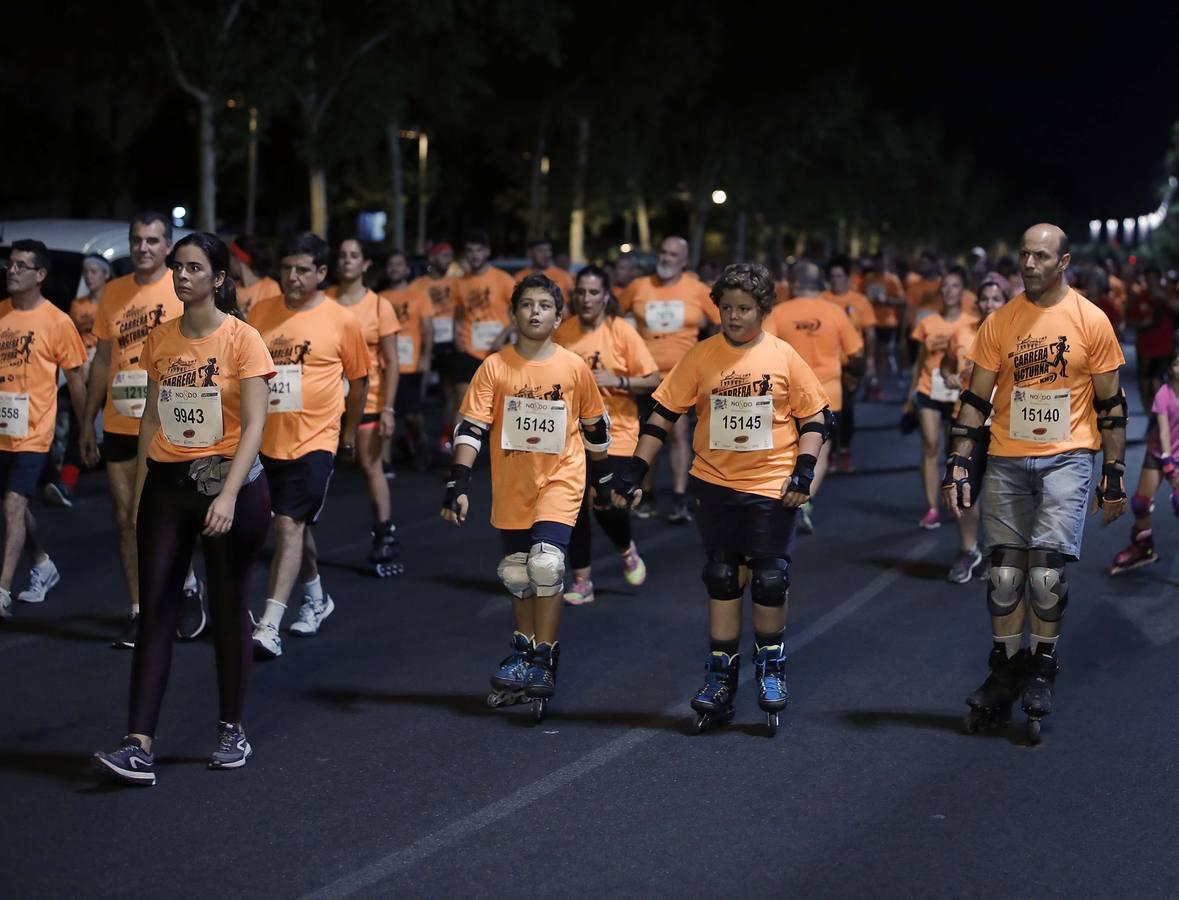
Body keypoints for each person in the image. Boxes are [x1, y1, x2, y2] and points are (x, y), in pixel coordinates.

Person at [612, 262, 831, 735]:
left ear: (763, 310)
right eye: (727, 308)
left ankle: (771, 667)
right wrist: (635, 470)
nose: (734, 317)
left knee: (770, 576)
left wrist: (804, 470)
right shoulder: (701, 356)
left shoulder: (782, 356)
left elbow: (816, 418)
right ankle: (721, 677)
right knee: (722, 574)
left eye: (745, 309)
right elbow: (663, 415)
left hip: (771, 483)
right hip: (714, 481)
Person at [92, 232, 274, 785]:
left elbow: (256, 427)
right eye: (178, 267)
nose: (182, 276)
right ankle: (138, 744)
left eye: (194, 268)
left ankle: (231, 729)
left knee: (227, 608)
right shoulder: (162, 339)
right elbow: (152, 415)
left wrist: (226, 496)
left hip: (230, 487)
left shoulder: (243, 340)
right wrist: (145, 483)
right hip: (168, 487)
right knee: (156, 613)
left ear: (218, 278)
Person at [945, 223, 1127, 744]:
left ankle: (1042, 667)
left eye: (1041, 257)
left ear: (1063, 262)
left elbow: (1112, 407)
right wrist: (958, 463)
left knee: (1044, 576)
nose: (1029, 265)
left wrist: (1112, 475)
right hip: (1005, 458)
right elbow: (975, 402)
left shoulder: (1091, 321)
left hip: (1067, 460)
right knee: (1004, 576)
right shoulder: (1000, 323)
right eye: (1024, 255)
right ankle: (1006, 666)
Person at [441, 273, 610, 721]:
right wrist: (459, 482)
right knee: (518, 573)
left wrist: (605, 478)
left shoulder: (573, 367)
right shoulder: (495, 367)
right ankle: (524, 648)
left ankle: (543, 658)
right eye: (526, 305)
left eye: (544, 305)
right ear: (514, 314)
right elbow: (471, 428)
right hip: (513, 484)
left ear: (559, 316)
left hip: (561, 479)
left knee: (546, 564)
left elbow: (595, 426)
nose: (535, 312)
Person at [79, 212, 206, 649]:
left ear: (167, 246)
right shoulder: (112, 293)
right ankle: (139, 610)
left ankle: (187, 586)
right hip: (120, 419)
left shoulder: (182, 289)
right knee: (126, 518)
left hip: (172, 417)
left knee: (173, 515)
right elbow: (101, 359)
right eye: (137, 240)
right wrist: (87, 419)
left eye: (153, 240)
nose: (143, 248)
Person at [247, 233, 369, 658]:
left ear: (321, 273)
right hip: (266, 440)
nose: (292, 277)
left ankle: (269, 624)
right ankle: (317, 595)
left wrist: (349, 432)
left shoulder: (341, 320)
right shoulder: (260, 313)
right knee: (292, 524)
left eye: (302, 270)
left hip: (317, 439)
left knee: (288, 523)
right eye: (286, 268)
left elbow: (359, 380)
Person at [554, 264, 660, 605]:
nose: (587, 298)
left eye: (594, 292)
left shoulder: (621, 332)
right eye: (581, 292)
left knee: (607, 503)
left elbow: (653, 379)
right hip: (572, 432)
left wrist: (619, 380)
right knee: (574, 505)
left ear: (606, 296)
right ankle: (582, 580)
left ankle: (625, 547)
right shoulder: (564, 332)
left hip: (618, 431)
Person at [0, 241, 87, 618]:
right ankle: (43, 562)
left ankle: (2, 589)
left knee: (14, 504)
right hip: (1, 428)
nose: (12, 271)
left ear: (40, 275)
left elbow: (77, 379)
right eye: (10, 265)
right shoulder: (1, 313)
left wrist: (85, 432)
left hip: (34, 431)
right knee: (8, 506)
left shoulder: (57, 321)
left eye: (21, 266)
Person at [619, 236, 720, 523]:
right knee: (647, 435)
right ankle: (647, 494)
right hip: (645, 376)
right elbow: (614, 318)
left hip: (683, 375)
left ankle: (678, 496)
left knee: (678, 434)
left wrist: (710, 355)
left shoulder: (697, 289)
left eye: (673, 254)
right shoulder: (639, 287)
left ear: (684, 261)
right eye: (662, 252)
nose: (666, 258)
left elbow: (720, 320)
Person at [764, 261, 862, 534]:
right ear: (819, 284)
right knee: (819, 450)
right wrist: (854, 376)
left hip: (787, 392)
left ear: (794, 284)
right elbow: (855, 353)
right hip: (828, 392)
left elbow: (765, 351)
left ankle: (781, 496)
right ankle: (803, 500)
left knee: (788, 448)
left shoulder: (778, 312)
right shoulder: (836, 313)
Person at [326, 239, 403, 576]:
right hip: (325, 401)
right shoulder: (323, 301)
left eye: (354, 256)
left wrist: (389, 409)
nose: (346, 261)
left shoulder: (378, 306)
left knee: (370, 467)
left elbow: (392, 362)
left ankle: (384, 531)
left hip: (368, 400)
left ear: (366, 264)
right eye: (341, 255)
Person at [941, 278, 1008, 582]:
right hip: (968, 421)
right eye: (985, 299)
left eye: (996, 299)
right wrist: (952, 377)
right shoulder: (963, 331)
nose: (990, 304)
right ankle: (969, 550)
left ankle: (999, 551)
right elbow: (944, 365)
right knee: (964, 484)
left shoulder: (1017, 332)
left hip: (1005, 422)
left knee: (1003, 491)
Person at [907, 266, 975, 530]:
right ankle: (932, 507)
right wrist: (909, 394)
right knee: (930, 446)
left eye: (955, 286)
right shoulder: (927, 322)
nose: (949, 291)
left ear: (962, 291)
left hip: (959, 395)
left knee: (952, 451)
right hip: (928, 390)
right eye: (945, 286)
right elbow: (919, 362)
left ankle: (953, 493)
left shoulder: (971, 323)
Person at [1110, 349, 1179, 574]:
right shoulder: (1164, 394)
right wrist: (1167, 460)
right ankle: (1143, 547)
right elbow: (1163, 432)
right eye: (1177, 363)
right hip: (1159, 452)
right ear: (1170, 368)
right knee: (1141, 502)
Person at [450, 231, 516, 419]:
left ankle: (496, 445)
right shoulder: (460, 282)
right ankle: (460, 445)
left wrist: (502, 336)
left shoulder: (503, 279)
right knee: (462, 398)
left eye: (479, 250)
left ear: (487, 252)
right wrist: (457, 337)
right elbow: (458, 313)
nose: (474, 255)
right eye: (470, 251)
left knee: (499, 401)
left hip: (498, 349)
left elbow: (519, 312)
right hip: (468, 348)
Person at [822, 256, 876, 472]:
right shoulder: (822, 299)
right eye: (832, 276)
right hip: (827, 364)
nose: (836, 281)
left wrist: (870, 360)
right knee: (829, 410)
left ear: (848, 278)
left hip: (852, 363)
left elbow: (870, 333)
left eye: (840, 276)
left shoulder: (859, 301)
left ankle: (844, 449)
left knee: (847, 406)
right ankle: (832, 450)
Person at [382, 251, 434, 471]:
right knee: (387, 411)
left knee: (412, 415)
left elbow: (428, 330)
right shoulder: (380, 297)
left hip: (412, 362)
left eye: (399, 264)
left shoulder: (419, 295)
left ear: (406, 269)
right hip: (386, 363)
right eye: (391, 264)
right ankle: (385, 461)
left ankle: (419, 441)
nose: (395, 268)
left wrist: (425, 357)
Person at [410, 242, 459, 455]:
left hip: (449, 342)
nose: (446, 259)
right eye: (442, 255)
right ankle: (417, 438)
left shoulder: (456, 283)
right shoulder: (418, 285)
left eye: (449, 255)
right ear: (431, 258)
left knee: (451, 394)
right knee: (417, 396)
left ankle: (445, 437)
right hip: (424, 344)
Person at [1126, 266, 1177, 420]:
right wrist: (1142, 324)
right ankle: (1150, 415)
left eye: (1155, 279)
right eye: (1149, 279)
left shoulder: (1168, 295)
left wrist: (1165, 300)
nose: (1152, 282)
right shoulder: (1141, 298)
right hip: (1145, 348)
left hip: (1165, 346)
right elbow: (1130, 321)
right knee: (1145, 384)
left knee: (1157, 381)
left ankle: (1159, 416)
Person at [860, 254, 906, 398]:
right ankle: (869, 384)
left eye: (882, 262)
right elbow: (858, 298)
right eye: (877, 262)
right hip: (868, 321)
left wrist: (886, 300)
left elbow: (901, 300)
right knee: (868, 355)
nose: (880, 265)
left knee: (881, 354)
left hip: (886, 323)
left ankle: (877, 385)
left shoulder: (892, 280)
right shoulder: (867, 279)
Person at [229, 235, 279, 318]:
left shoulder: (270, 286)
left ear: (237, 258)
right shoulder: (231, 288)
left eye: (230, 254)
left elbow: (273, 319)